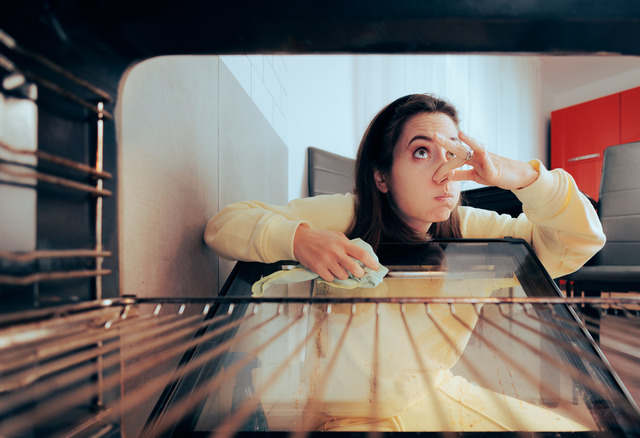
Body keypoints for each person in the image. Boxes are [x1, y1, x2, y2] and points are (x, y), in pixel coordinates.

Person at [204, 93, 606, 432]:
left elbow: (578, 241)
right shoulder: (349, 215)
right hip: (347, 416)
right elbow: (224, 225)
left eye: (452, 152)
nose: (443, 170)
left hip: (435, 392)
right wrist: (300, 239)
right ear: (382, 176)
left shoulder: (471, 228)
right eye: (420, 152)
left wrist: (521, 176)